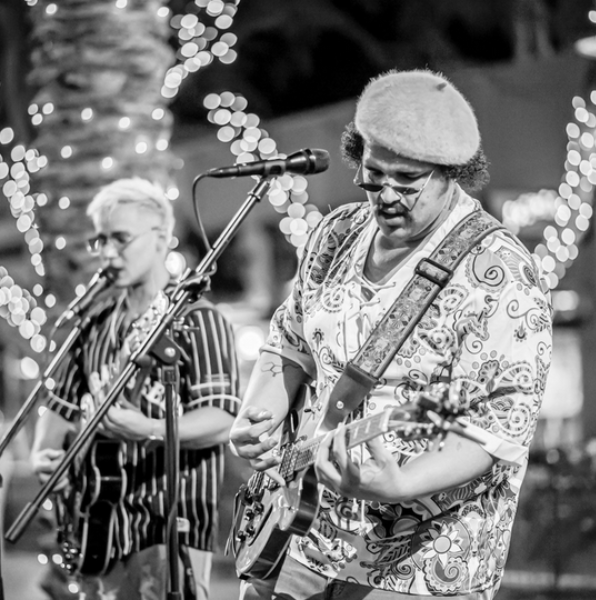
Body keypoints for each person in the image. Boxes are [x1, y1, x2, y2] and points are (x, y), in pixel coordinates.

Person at [229, 69, 553, 600]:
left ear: (453, 173)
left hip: (422, 566)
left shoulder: (500, 273)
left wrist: (400, 484)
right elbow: (288, 340)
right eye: (374, 176)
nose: (387, 197)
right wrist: (259, 411)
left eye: (407, 182)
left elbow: (501, 424)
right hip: (300, 535)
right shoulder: (336, 233)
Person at [30, 177, 240, 600]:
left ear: (162, 238)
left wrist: (145, 427)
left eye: (120, 239)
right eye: (100, 240)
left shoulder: (197, 319)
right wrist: (43, 451)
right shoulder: (94, 324)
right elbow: (60, 402)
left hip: (165, 524)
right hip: (95, 522)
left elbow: (221, 419)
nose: (107, 252)